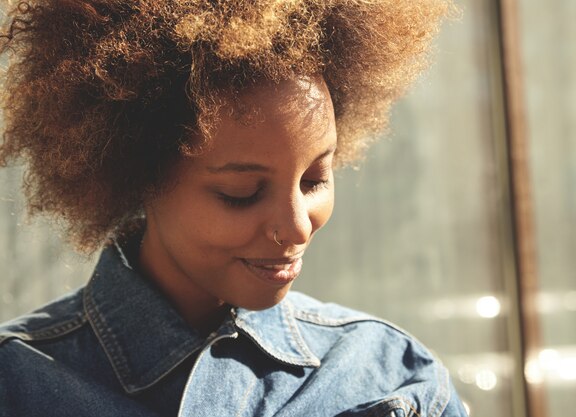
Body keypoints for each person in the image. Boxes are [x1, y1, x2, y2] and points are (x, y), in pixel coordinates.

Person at [0, 0, 468, 416]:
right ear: (139, 175)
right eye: (241, 193)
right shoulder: (19, 383)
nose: (297, 227)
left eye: (314, 180)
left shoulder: (393, 377)